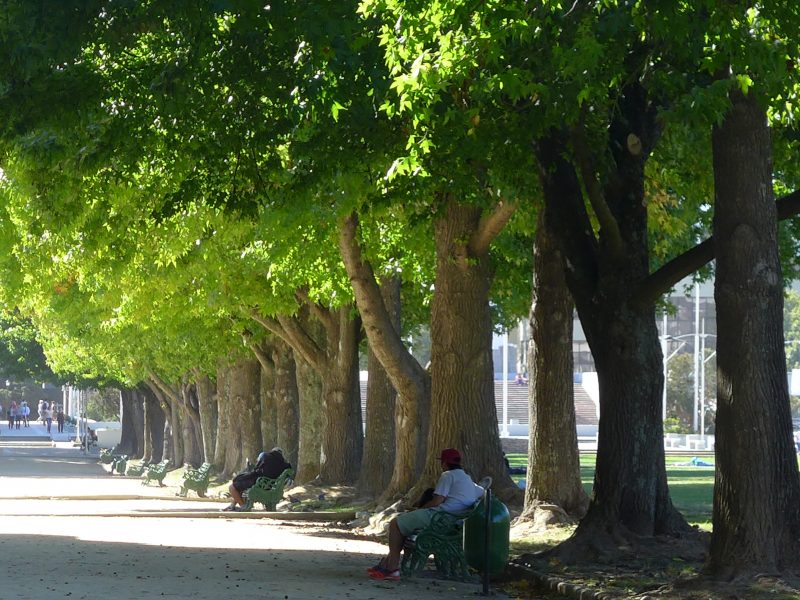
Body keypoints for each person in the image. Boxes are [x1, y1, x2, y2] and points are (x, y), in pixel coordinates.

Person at [368, 448, 485, 581]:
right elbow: (482, 492)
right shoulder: (467, 478)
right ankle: (387, 563)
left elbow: (437, 500)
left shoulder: (448, 475)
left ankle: (392, 568)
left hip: (439, 517)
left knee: (396, 524)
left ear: (445, 463)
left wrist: (420, 509)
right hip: (451, 520)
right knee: (404, 526)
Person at [223, 448, 291, 511]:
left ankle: (243, 506)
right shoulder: (285, 465)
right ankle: (232, 505)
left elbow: (256, 470)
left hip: (259, 484)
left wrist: (240, 477)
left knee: (232, 487)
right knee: (241, 485)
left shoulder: (265, 455)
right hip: (270, 488)